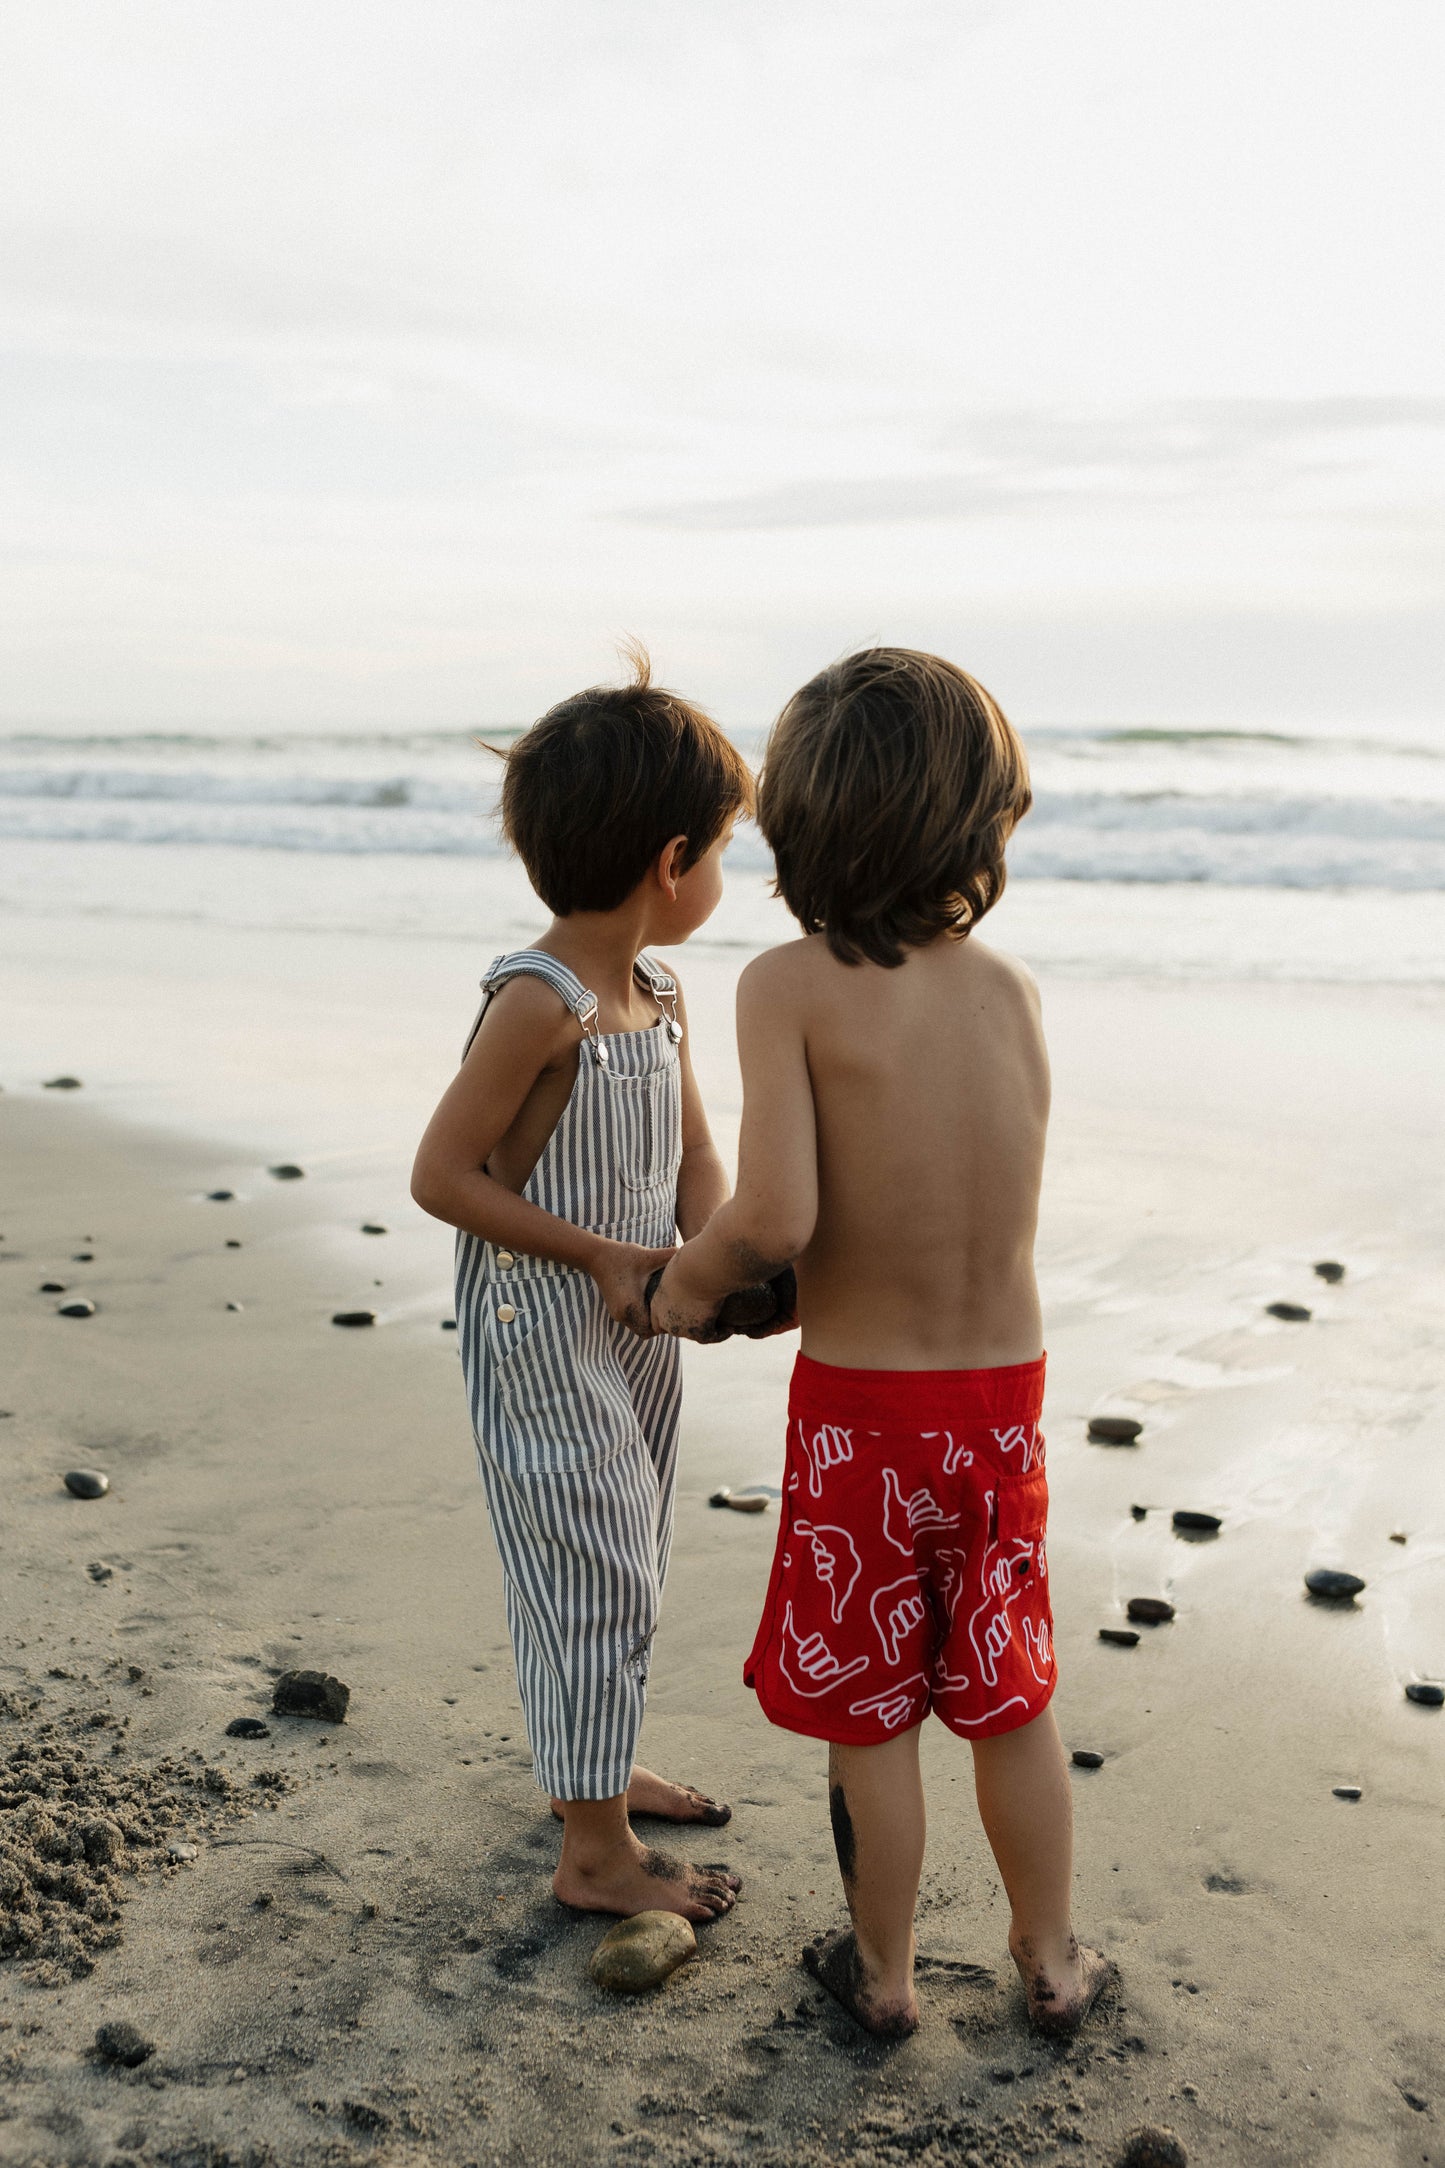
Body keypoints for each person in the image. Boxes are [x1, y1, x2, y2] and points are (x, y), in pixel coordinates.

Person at [651, 647, 1110, 2035]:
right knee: (1009, 1693)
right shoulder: (1010, 991)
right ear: (986, 817)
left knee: (873, 1716)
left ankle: (889, 1977)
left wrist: (689, 1286)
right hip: (1002, 1402)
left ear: (797, 822)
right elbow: (954, 1208)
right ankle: (1049, 1956)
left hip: (867, 1418)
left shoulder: (788, 984)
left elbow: (781, 1213)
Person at [411, 648, 751, 1924]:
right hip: (542, 1323)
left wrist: (710, 1258)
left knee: (624, 1548)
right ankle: (595, 1852)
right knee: (587, 1560)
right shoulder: (538, 1001)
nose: (726, 875)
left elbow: (697, 1154)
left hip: (642, 1323)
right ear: (673, 863)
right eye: (724, 849)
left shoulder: (657, 991)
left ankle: (590, 1779)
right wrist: (607, 1254)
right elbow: (442, 1175)